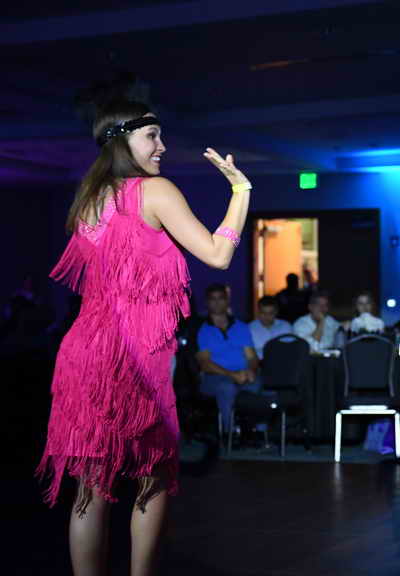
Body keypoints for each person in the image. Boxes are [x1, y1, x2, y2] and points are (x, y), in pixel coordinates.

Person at [36, 97, 251, 576]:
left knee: (91, 488)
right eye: (152, 135)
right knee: (151, 478)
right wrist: (240, 190)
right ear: (122, 140)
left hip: (84, 352)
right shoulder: (155, 191)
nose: (162, 146)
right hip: (134, 355)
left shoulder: (90, 198)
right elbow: (218, 255)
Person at [196, 284, 265, 440]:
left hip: (242, 373)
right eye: (213, 299)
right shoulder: (202, 330)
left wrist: (251, 370)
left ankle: (256, 432)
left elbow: (252, 357)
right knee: (226, 388)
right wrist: (232, 375)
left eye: (221, 298)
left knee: (256, 384)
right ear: (207, 302)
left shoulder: (241, 327)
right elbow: (205, 364)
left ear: (227, 301)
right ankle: (230, 434)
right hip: (214, 377)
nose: (217, 302)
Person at [249, 295, 293, 359]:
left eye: (270, 313)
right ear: (258, 312)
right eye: (263, 313)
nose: (267, 316)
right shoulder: (250, 328)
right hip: (260, 363)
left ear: (276, 312)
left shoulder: (285, 326)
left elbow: (290, 349)